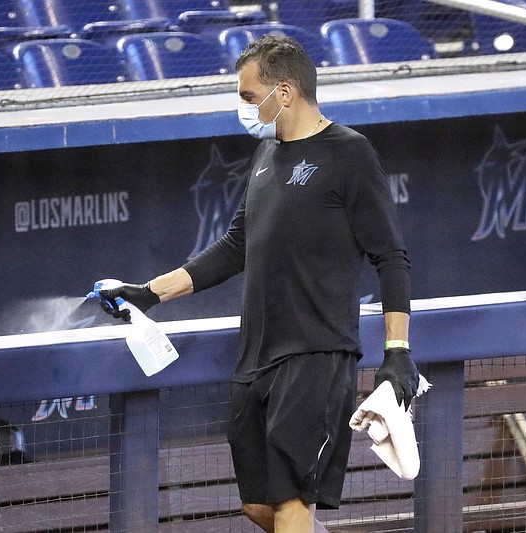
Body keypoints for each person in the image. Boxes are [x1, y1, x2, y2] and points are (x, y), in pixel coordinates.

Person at [98, 35, 419, 533]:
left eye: (249, 96)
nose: (243, 107)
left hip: (316, 355)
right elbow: (235, 246)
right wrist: (150, 291)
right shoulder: (266, 154)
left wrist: (397, 350)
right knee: (259, 507)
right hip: (255, 359)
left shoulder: (350, 154)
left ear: (285, 92)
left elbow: (391, 258)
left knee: (291, 503)